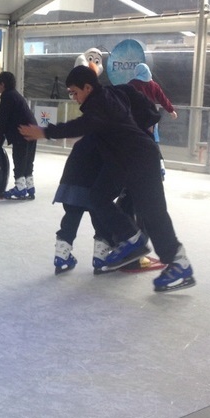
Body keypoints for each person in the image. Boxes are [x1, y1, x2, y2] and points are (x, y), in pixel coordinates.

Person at [19, 66, 195, 292]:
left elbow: (79, 126)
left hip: (140, 157)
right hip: (122, 162)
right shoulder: (108, 96)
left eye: (75, 92)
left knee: (152, 212)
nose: (74, 98)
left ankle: (178, 263)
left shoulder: (100, 104)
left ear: (88, 87)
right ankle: (132, 237)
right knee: (97, 197)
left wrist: (44, 132)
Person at [0, 71, 37, 199]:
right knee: (28, 160)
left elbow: (3, 118)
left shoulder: (7, 96)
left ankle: (20, 187)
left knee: (19, 159)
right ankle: (29, 186)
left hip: (21, 133)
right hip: (33, 131)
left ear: (3, 84)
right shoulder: (16, 95)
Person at [129, 63, 177, 142]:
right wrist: (171, 110)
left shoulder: (132, 84)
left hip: (136, 115)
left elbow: (125, 97)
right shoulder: (154, 85)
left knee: (136, 138)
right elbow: (162, 98)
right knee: (150, 138)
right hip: (150, 115)